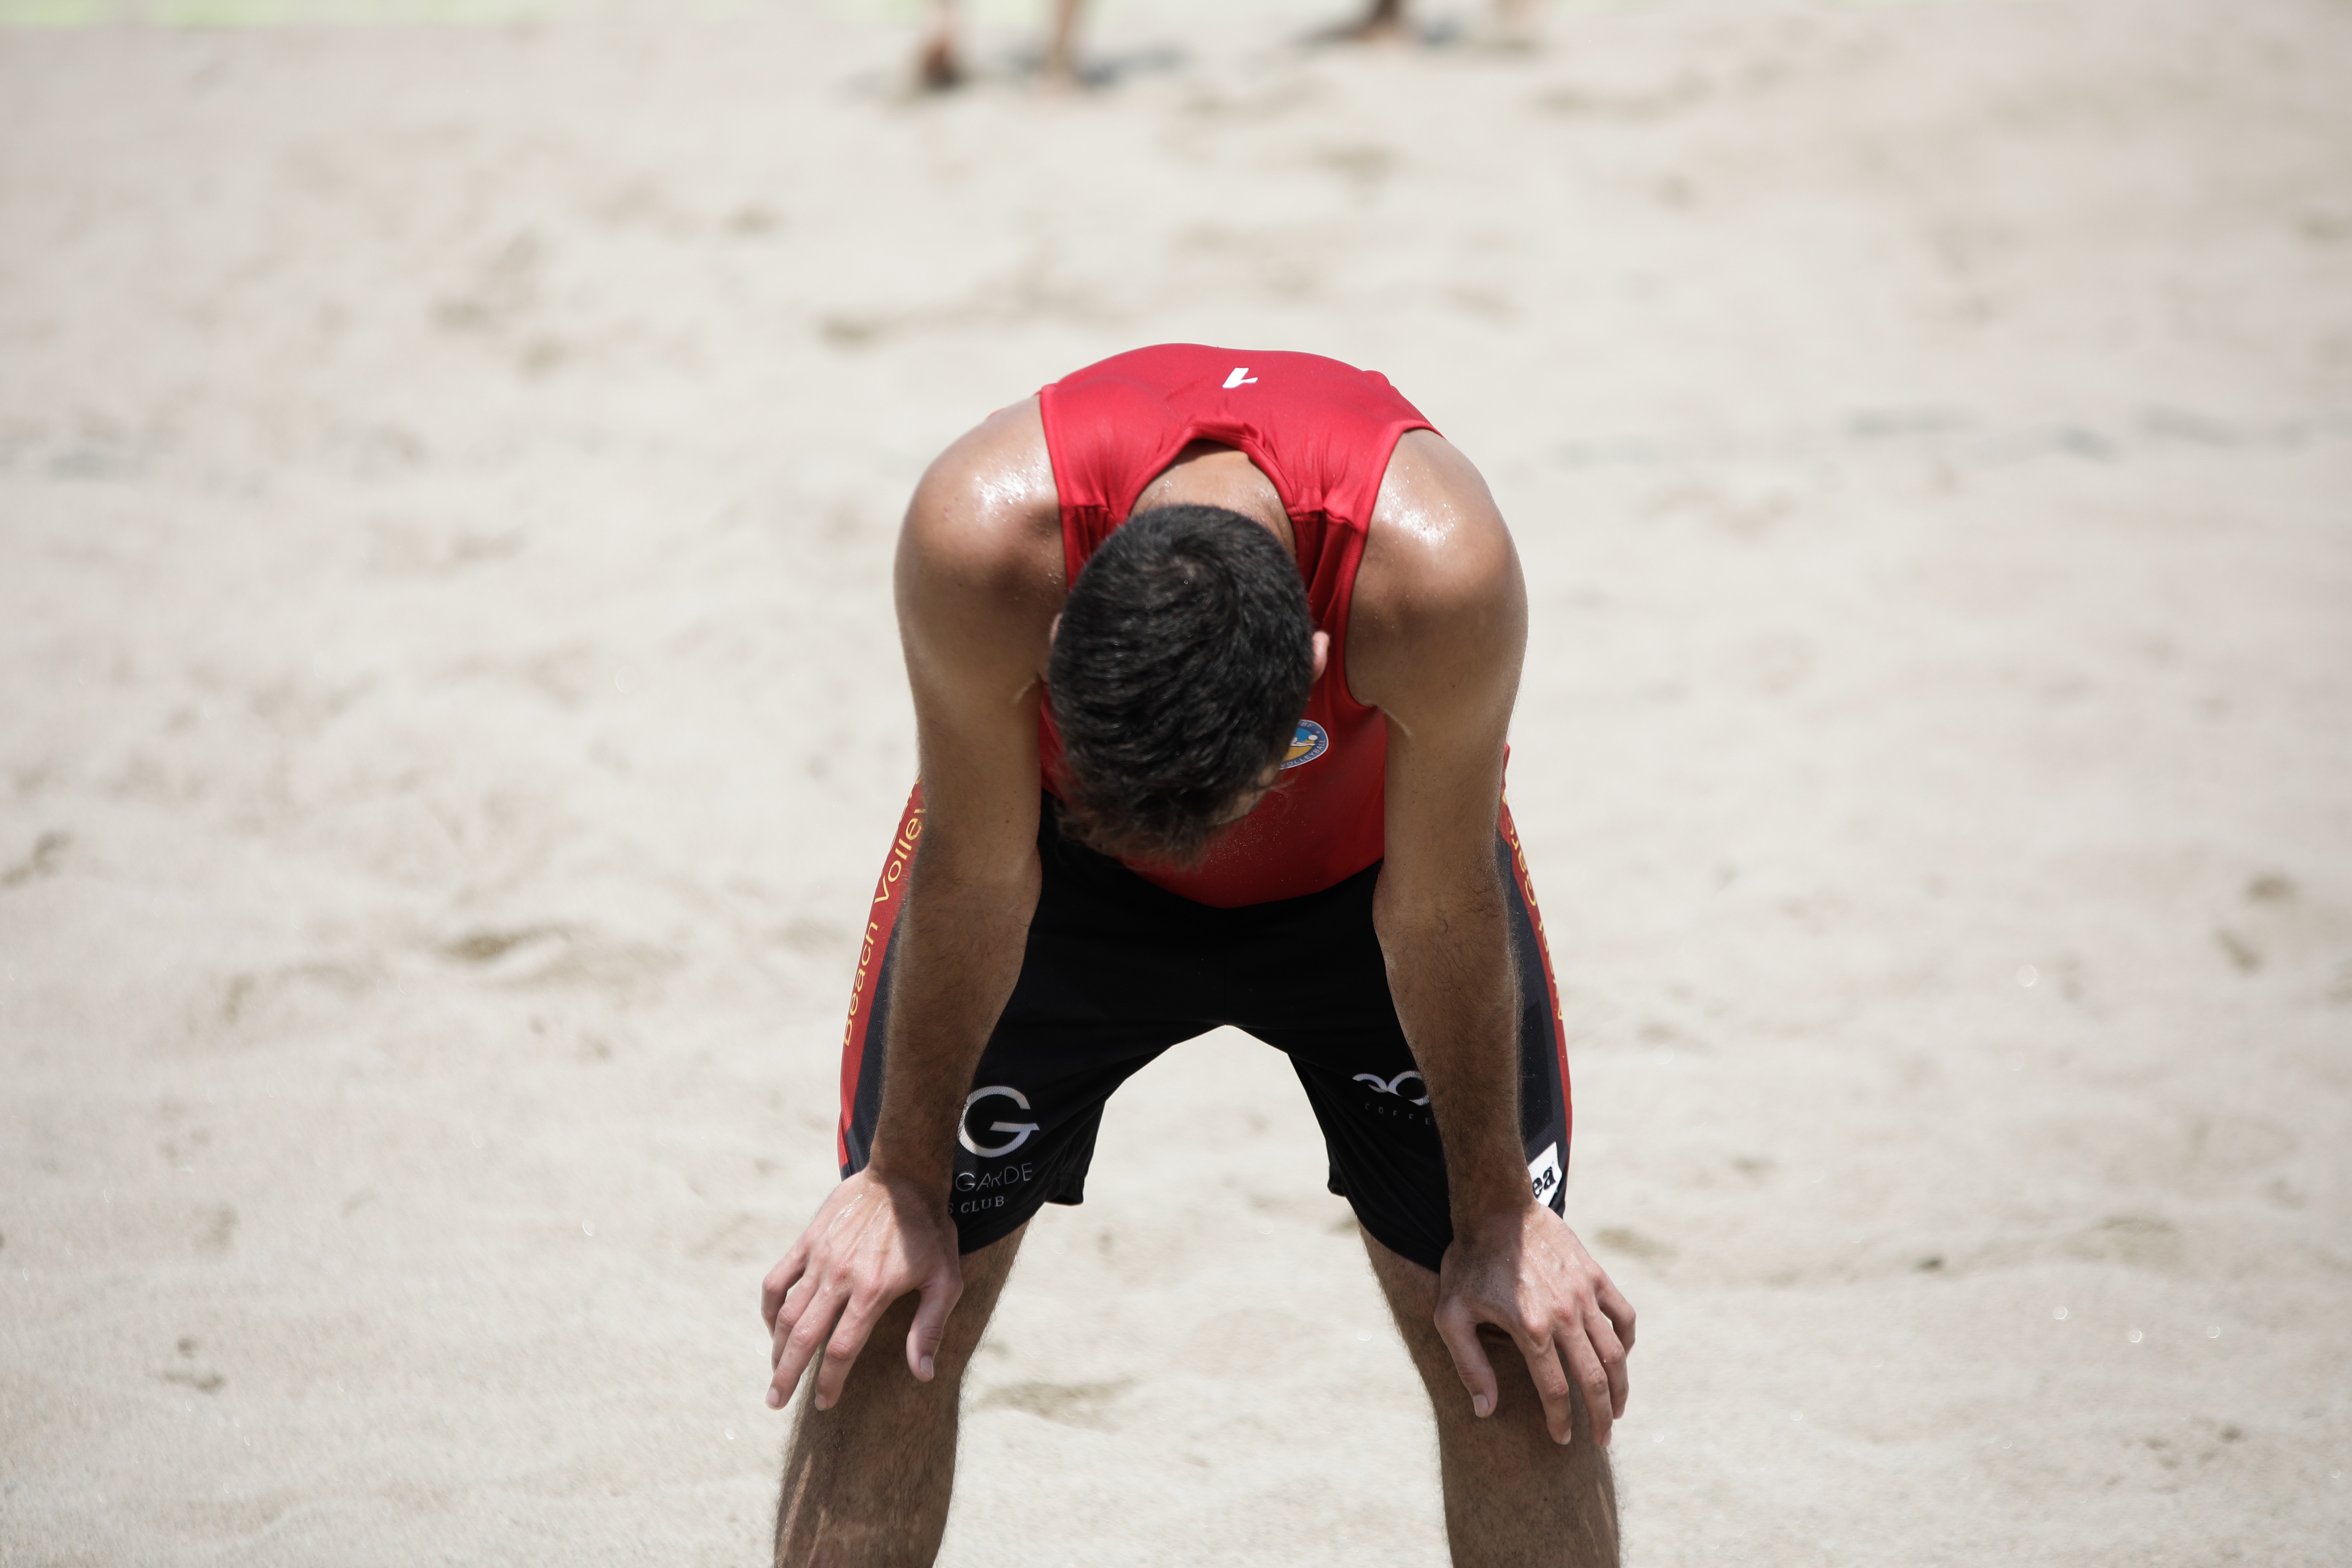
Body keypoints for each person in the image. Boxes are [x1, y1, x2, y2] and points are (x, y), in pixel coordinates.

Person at [760, 344, 1635, 1567]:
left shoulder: (1437, 578)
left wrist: (1499, 1213)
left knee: (1513, 1342)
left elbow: (1437, 903)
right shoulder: (981, 542)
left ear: (1319, 681)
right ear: (1061, 634)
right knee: (885, 1307)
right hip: (1052, 872)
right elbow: (974, 869)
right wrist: (901, 1180)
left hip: (1368, 885)